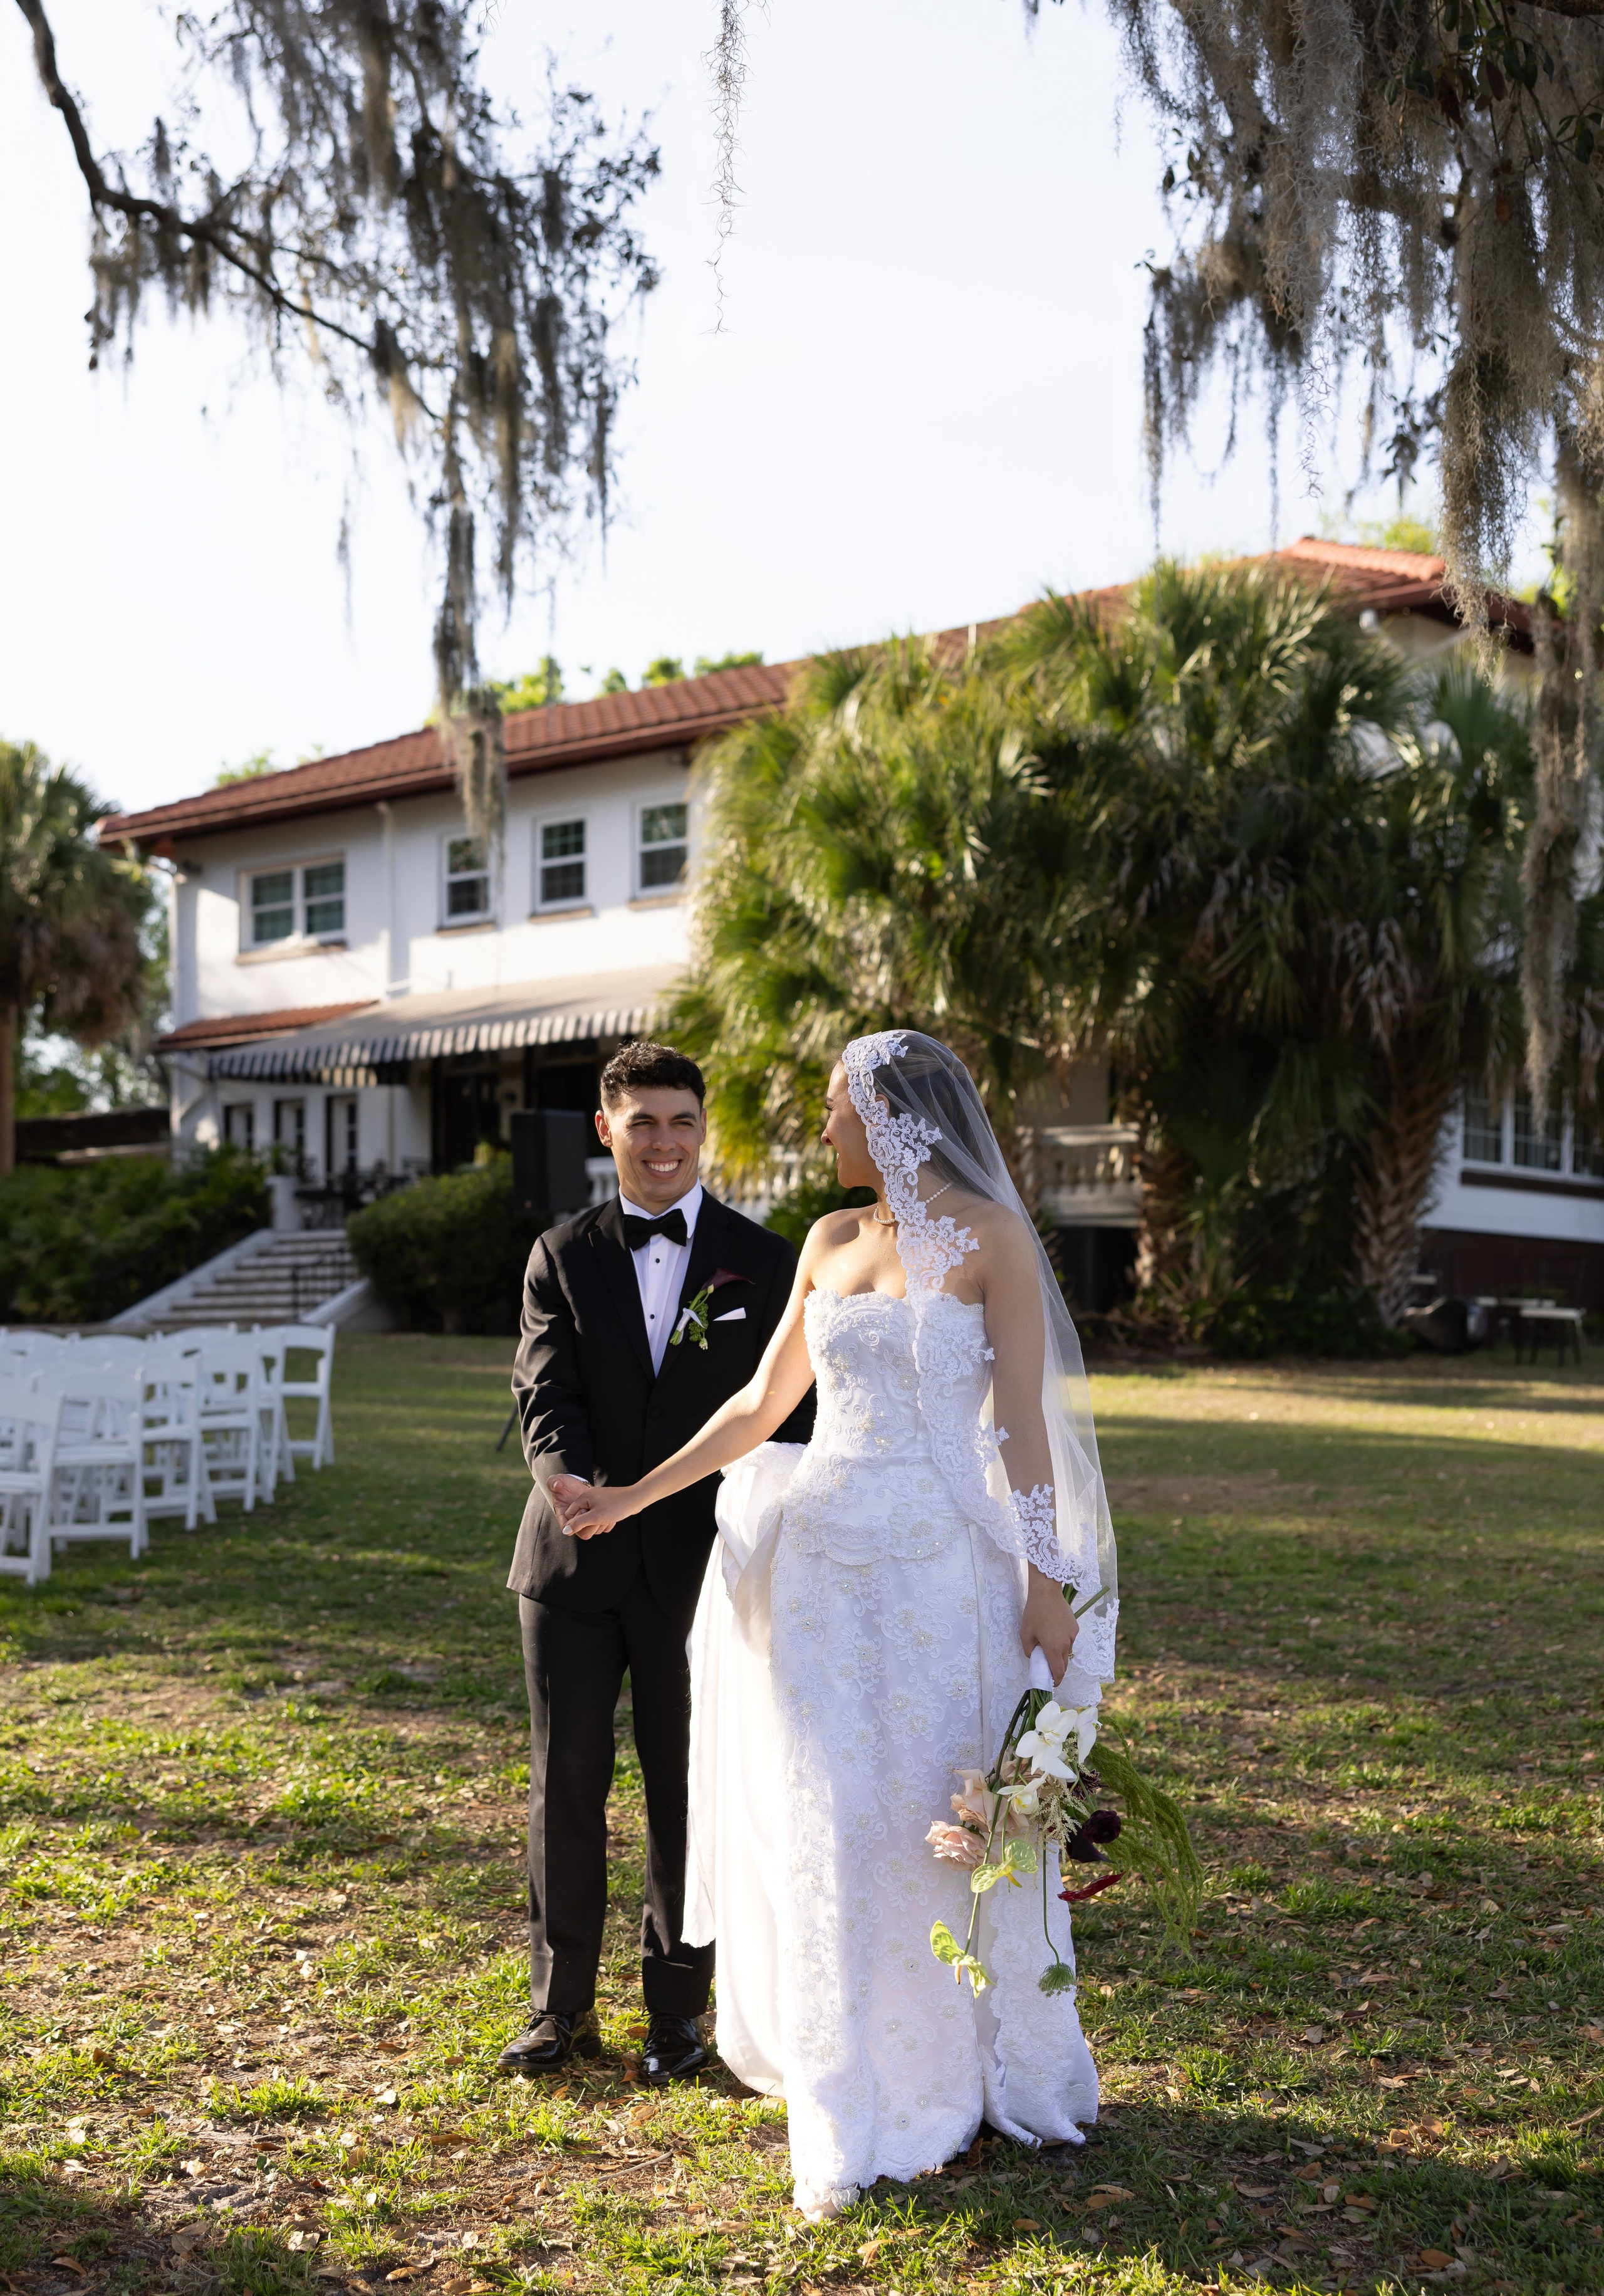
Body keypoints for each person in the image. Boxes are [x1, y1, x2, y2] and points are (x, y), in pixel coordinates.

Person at [556, 1030, 1120, 2216]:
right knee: (833, 1813)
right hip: (819, 1563)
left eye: (835, 1109)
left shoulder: (994, 1239)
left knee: (928, 1809)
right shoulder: (828, 1240)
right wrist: (632, 1491)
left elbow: (1020, 1424)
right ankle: (841, 2069)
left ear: (890, 1114)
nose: (823, 1129)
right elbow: (762, 1406)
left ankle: (946, 2065)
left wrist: (1046, 1575)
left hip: (939, 1572)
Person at [499, 1040, 813, 2084]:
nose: (664, 1141)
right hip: (571, 1558)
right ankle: (559, 2011)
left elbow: (788, 1415)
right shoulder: (560, 1252)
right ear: (607, 1130)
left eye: (681, 1120)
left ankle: (677, 2016)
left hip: (702, 1571)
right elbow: (545, 1388)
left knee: (691, 1790)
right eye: (643, 1122)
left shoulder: (764, 1261)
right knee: (565, 1783)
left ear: (703, 1127)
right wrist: (568, 1482)